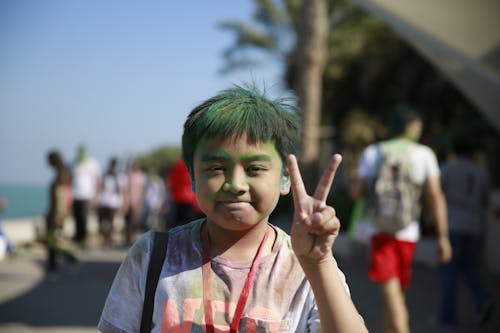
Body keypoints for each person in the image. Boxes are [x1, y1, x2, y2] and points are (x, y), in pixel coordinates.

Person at [98, 85, 368, 333]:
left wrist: (319, 263)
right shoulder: (153, 255)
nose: (235, 184)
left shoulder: (304, 266)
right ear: (193, 177)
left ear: (284, 178)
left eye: (254, 169)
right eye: (216, 168)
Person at [349, 105, 452, 333]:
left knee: (393, 299)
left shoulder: (373, 152)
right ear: (409, 126)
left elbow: (356, 192)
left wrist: (355, 182)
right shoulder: (424, 154)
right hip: (408, 232)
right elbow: (435, 195)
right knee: (395, 297)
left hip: (379, 232)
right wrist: (443, 237)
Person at [437, 137, 493, 326]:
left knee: (449, 272)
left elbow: (438, 194)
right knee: (469, 267)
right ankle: (483, 298)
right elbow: (485, 200)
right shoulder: (481, 171)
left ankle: (447, 317)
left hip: (453, 225)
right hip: (474, 226)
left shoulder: (448, 168)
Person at [45, 150, 77, 276]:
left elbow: (60, 197)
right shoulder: (66, 172)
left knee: (52, 241)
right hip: (60, 212)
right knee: (55, 240)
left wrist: (56, 215)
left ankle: (55, 267)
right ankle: (63, 263)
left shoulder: (61, 175)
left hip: (56, 213)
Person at [71, 144, 101, 246]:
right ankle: (78, 238)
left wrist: (96, 196)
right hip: (75, 196)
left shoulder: (92, 164)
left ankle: (83, 238)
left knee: (84, 217)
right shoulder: (73, 163)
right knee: (76, 217)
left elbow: (97, 181)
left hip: (87, 196)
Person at [165, 158, 203, 229]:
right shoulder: (194, 164)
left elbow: (170, 182)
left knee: (177, 223)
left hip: (178, 198)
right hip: (190, 199)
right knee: (190, 224)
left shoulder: (177, 165)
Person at [97, 157, 127, 246]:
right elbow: (100, 187)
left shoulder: (120, 176)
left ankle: (108, 238)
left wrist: (123, 202)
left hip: (114, 202)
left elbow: (122, 190)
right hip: (104, 201)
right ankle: (105, 236)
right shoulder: (105, 174)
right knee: (102, 221)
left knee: (111, 221)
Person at [123, 160, 147, 246]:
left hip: (137, 201)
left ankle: (135, 240)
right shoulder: (129, 176)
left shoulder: (141, 176)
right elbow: (126, 190)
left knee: (136, 221)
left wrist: (139, 202)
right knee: (128, 222)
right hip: (129, 202)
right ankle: (128, 240)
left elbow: (143, 190)